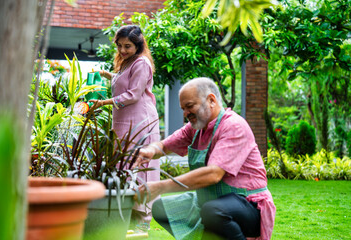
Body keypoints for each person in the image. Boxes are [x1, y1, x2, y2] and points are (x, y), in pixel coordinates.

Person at [134, 77, 276, 240]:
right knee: (161, 207)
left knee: (213, 211)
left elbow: (213, 174)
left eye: (189, 106)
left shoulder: (233, 126)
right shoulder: (195, 128)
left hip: (249, 204)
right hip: (212, 202)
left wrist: (160, 187)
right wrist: (150, 150)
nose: (186, 113)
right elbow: (165, 146)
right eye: (183, 109)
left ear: (211, 100)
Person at [89, 25, 160, 232]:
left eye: (127, 46)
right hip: (124, 121)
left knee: (141, 169)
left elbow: (133, 94)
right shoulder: (128, 63)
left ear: (138, 45)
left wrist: (103, 103)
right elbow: (125, 83)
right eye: (119, 46)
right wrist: (109, 75)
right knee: (126, 168)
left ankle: (144, 220)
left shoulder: (142, 62)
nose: (122, 50)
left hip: (140, 121)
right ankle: (129, 214)